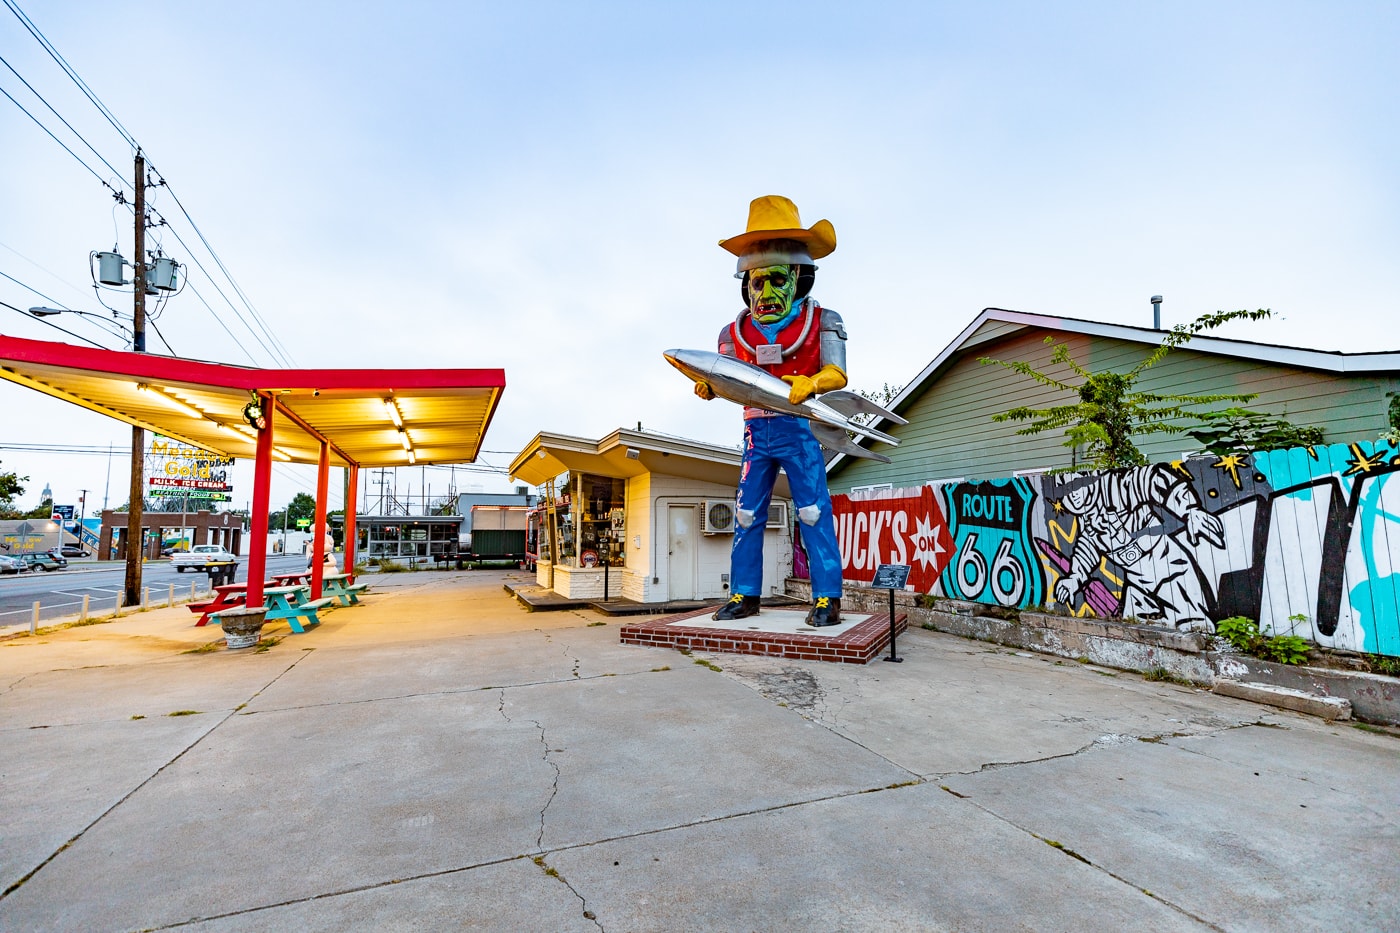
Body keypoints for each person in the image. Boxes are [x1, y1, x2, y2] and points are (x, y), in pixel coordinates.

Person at [695, 195, 847, 627]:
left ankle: (827, 597)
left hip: (799, 430)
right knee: (745, 513)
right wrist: (711, 388)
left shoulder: (822, 321)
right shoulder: (732, 333)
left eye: (775, 280)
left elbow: (838, 374)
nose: (765, 293)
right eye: (757, 282)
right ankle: (744, 593)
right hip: (754, 434)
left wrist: (813, 383)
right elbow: (731, 384)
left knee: (813, 511)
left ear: (798, 277)